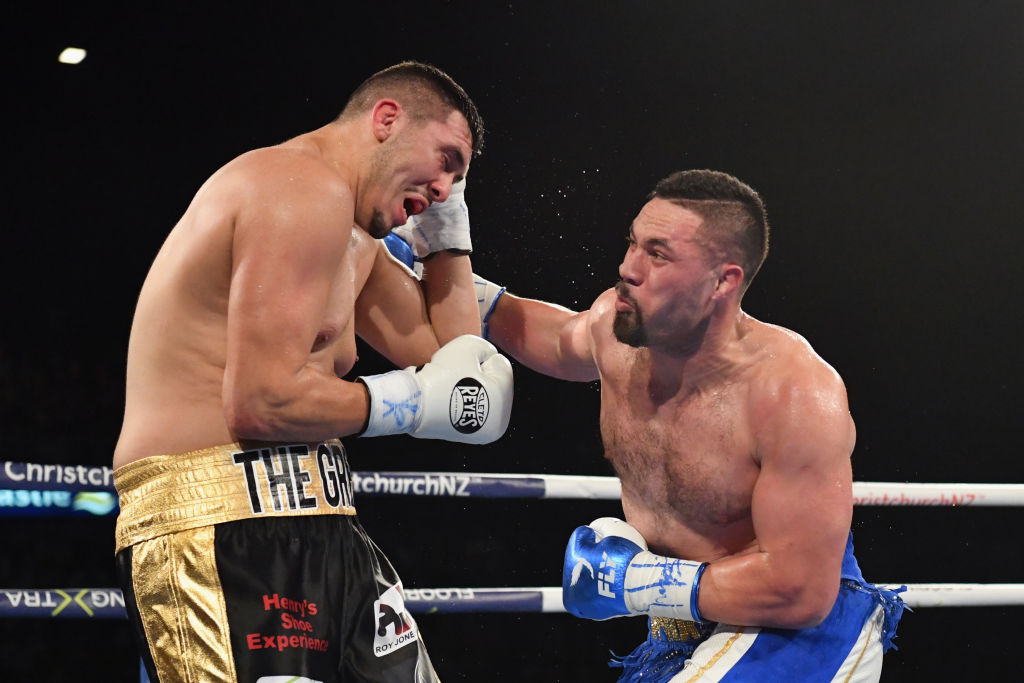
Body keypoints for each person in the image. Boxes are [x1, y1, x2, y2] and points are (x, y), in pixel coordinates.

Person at [112, 61, 513, 683]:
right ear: (386, 119)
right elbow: (260, 403)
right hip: (219, 529)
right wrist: (405, 403)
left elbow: (458, 369)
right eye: (445, 160)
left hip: (325, 523)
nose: (443, 186)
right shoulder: (296, 186)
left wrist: (447, 232)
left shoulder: (357, 237)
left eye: (456, 181)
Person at [473, 170, 904, 682]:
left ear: (723, 281)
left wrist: (635, 583)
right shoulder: (616, 332)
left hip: (800, 632)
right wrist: (446, 276)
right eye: (632, 244)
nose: (627, 268)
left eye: (657, 254)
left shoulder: (792, 393)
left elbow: (802, 590)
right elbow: (558, 338)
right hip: (683, 625)